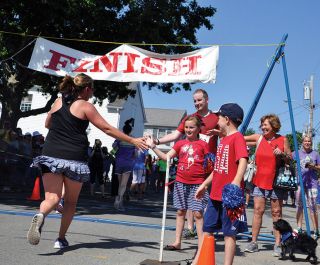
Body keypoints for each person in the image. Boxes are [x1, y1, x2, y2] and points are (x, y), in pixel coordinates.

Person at [27, 73, 147, 249]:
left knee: (52, 197)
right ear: (87, 89)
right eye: (92, 90)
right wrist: (132, 140)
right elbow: (106, 128)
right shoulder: (85, 106)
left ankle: (41, 215)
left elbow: (47, 124)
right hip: (74, 157)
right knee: (70, 202)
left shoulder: (58, 102)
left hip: (51, 154)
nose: (92, 94)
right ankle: (60, 239)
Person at [155, 89, 219, 238]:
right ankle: (190, 229)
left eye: (199, 100)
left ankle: (206, 231)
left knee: (203, 202)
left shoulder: (216, 118)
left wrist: (216, 133)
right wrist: (157, 141)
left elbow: (227, 133)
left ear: (207, 100)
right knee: (188, 202)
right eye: (194, 101)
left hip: (208, 164)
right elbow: (176, 135)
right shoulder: (190, 119)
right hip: (190, 167)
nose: (197, 103)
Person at [147, 116, 211, 259]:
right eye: (186, 127)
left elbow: (210, 165)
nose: (188, 130)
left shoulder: (203, 145)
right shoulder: (180, 143)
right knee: (180, 211)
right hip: (181, 182)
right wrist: (153, 146)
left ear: (198, 128)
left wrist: (206, 184)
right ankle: (177, 241)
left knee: (198, 214)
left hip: (197, 184)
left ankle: (201, 245)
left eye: (192, 127)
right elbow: (166, 157)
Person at [195, 103, 248, 265]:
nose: (216, 120)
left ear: (227, 119)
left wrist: (236, 182)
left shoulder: (237, 137)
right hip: (215, 194)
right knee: (207, 229)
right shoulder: (223, 139)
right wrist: (204, 184)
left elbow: (243, 160)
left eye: (218, 117)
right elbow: (217, 169)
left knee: (229, 233)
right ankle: (201, 261)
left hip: (229, 196)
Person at [243, 114, 291, 256]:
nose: (263, 127)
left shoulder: (283, 139)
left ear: (274, 126)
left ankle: (277, 244)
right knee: (258, 210)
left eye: (266, 124)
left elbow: (289, 159)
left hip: (276, 182)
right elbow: (239, 138)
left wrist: (282, 154)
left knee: (276, 213)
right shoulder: (258, 138)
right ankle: (254, 242)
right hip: (259, 181)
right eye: (262, 124)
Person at [293, 135, 320, 238]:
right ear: (302, 142)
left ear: (311, 142)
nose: (307, 143)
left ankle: (316, 230)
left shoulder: (315, 154)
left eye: (309, 141)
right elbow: (288, 158)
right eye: (305, 141)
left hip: (312, 184)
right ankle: (299, 228)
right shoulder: (297, 153)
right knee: (299, 206)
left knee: (313, 207)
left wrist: (312, 166)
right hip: (300, 183)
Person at [113, 118, 139, 211]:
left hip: (119, 162)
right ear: (131, 130)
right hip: (128, 163)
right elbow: (136, 154)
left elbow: (114, 148)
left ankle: (118, 199)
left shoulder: (119, 139)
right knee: (123, 184)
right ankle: (119, 200)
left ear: (123, 130)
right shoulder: (133, 140)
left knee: (120, 183)